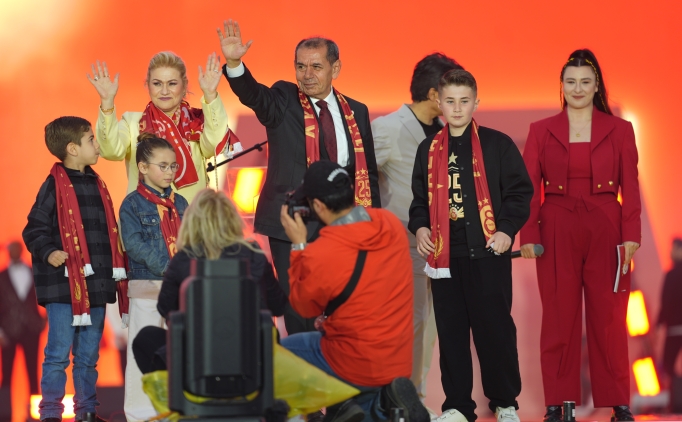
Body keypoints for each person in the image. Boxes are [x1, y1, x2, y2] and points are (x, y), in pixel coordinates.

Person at [217, 19, 381, 335]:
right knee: (299, 306)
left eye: (316, 67)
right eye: (300, 66)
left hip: (343, 225)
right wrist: (235, 65)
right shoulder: (285, 99)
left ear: (336, 68)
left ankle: (337, 362)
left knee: (341, 305)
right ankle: (303, 362)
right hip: (293, 223)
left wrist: (372, 222)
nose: (307, 74)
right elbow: (255, 96)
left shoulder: (356, 111)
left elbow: (367, 173)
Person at [519, 49, 641, 422]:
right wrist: (528, 234)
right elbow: (528, 189)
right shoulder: (540, 130)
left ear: (596, 85)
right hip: (556, 225)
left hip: (607, 225)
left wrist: (631, 234)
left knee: (610, 318)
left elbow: (631, 185)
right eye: (571, 82)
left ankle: (619, 403)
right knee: (558, 317)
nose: (577, 88)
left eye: (585, 82)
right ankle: (556, 403)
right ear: (562, 85)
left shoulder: (620, 129)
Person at [409, 69, 532, 422]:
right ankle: (458, 407)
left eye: (465, 101)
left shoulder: (498, 144)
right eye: (450, 101)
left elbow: (519, 193)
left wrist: (507, 230)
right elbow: (419, 202)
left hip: (490, 254)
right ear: (439, 103)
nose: (458, 108)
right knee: (451, 336)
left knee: (496, 333)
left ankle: (505, 404)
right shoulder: (428, 149)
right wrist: (420, 227)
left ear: (477, 102)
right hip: (444, 257)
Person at [279, 160, 427, 422]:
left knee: (272, 359)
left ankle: (339, 406)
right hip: (398, 360)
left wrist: (299, 246)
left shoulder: (322, 252)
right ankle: (377, 407)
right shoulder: (390, 224)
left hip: (351, 363)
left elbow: (304, 306)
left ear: (318, 206)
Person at [23, 116, 128, 422]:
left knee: (88, 356)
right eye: (91, 139)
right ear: (72, 148)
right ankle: (51, 413)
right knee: (57, 354)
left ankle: (86, 411)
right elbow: (33, 230)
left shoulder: (98, 185)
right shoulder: (53, 186)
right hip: (63, 287)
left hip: (95, 285)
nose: (97, 145)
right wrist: (50, 251)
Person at [371, 53, 462, 404]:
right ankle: (400, 401)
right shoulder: (388, 128)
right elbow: (359, 180)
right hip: (402, 244)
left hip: (444, 248)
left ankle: (416, 399)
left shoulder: (448, 132)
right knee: (410, 324)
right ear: (433, 94)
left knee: (432, 328)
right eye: (450, 90)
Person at [131, 188, 286, 376]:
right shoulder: (255, 256)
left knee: (146, 338)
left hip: (197, 364)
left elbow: (165, 309)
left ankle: (176, 391)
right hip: (252, 362)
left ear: (192, 223)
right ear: (232, 220)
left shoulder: (183, 260)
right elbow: (278, 307)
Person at [87, 51, 235, 203]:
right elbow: (111, 152)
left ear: (184, 86)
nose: (164, 91)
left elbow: (214, 145)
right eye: (157, 84)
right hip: (143, 215)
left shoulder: (196, 122)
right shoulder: (132, 122)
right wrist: (107, 102)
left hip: (192, 215)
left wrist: (210, 94)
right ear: (148, 85)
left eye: (172, 83)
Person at [118, 133, 190, 420]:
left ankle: (181, 409)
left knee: (183, 352)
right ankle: (140, 415)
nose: (170, 172)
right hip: (148, 289)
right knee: (142, 356)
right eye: (163, 166)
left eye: (173, 166)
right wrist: (171, 268)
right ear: (143, 167)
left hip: (181, 290)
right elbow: (134, 245)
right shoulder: (132, 204)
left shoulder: (181, 202)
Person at [0, 241, 46, 416]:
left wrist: (44, 320)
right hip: (8, 330)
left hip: (31, 329)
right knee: (6, 374)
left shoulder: (33, 272)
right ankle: (5, 414)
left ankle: (34, 414)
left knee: (33, 373)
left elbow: (46, 295)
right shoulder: (2, 276)